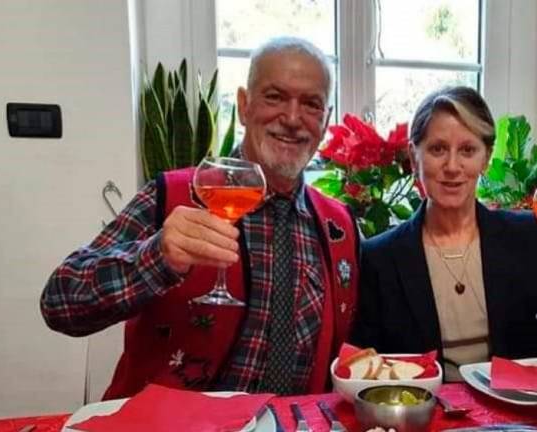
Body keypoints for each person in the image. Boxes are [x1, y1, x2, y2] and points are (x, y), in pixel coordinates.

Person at [41, 36, 359, 398]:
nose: (291, 118)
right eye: (274, 97)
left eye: (311, 104)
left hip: (294, 422)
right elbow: (59, 303)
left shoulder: (340, 227)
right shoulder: (172, 195)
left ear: (326, 119)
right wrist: (155, 258)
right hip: (167, 422)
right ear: (244, 105)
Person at [350, 86, 537, 381]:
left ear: (486, 158)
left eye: (468, 150)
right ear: (415, 158)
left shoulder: (527, 238)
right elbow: (365, 371)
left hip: (517, 408)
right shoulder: (380, 258)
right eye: (438, 149)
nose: (452, 166)